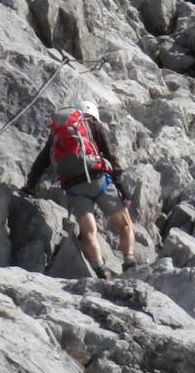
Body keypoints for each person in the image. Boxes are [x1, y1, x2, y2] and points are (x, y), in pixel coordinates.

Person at [21, 100, 136, 279]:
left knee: (89, 233)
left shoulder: (58, 134)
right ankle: (129, 263)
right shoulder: (95, 127)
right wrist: (122, 187)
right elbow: (110, 156)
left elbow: (42, 161)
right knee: (125, 225)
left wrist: (30, 186)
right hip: (99, 180)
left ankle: (100, 269)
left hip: (73, 187)